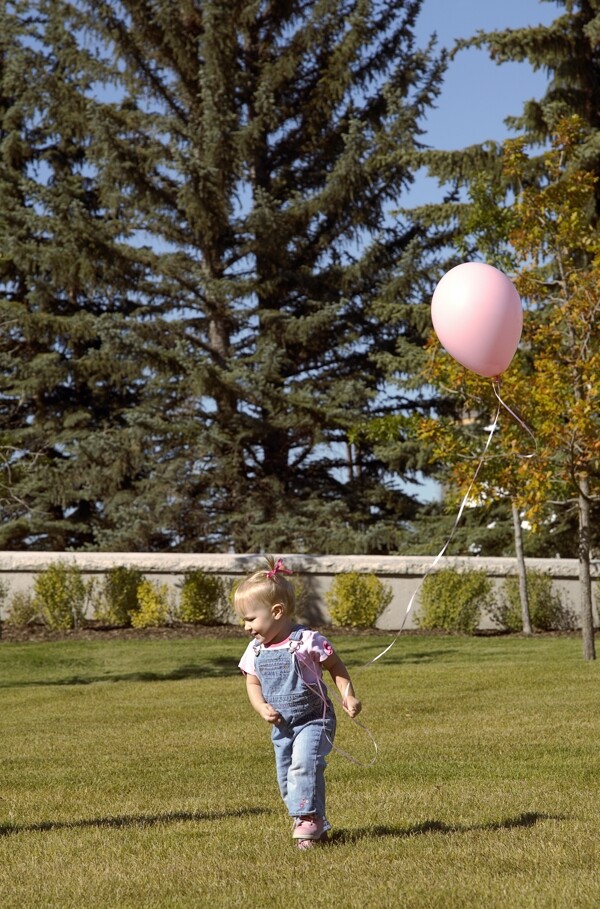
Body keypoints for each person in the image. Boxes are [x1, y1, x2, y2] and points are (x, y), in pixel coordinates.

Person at [234, 556, 362, 850]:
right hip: (283, 726)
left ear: (276, 611)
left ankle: (306, 823)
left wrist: (348, 695)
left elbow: (336, 667)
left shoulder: (306, 641)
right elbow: (252, 682)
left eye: (250, 619)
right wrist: (260, 706)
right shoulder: (255, 649)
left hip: (315, 719)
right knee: (286, 778)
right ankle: (316, 822)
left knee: (304, 766)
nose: (245, 627)